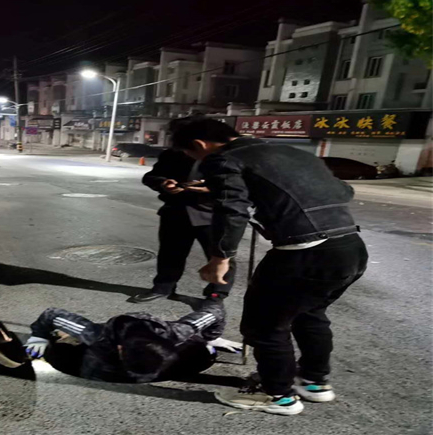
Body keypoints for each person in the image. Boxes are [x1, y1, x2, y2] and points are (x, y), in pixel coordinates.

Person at [171, 117, 368, 416]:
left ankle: (277, 395)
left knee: (264, 326)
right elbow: (343, 192)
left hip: (304, 253)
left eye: (190, 153)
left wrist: (220, 258)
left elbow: (231, 210)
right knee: (309, 314)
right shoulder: (293, 153)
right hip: (350, 247)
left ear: (199, 144)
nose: (193, 159)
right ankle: (314, 382)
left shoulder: (222, 160)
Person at [25, 302, 240, 383]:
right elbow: (52, 314)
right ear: (119, 349)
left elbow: (215, 310)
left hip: (154, 327)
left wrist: (211, 338)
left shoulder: (177, 332)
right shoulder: (96, 334)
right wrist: (40, 335)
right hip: (115, 331)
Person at [131, 143, 234, 303]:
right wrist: (163, 183)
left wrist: (211, 189)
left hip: (213, 214)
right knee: (170, 254)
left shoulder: (227, 154)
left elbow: (241, 185)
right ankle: (163, 288)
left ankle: (217, 295)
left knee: (220, 256)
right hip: (176, 211)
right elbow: (150, 177)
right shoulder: (173, 154)